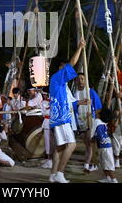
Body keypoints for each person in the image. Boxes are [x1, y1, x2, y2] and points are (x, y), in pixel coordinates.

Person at [49, 39, 86, 183]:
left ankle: (52, 175)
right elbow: (72, 63)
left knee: (60, 147)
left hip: (59, 116)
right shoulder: (57, 77)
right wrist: (80, 47)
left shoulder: (61, 84)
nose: (67, 70)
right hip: (61, 117)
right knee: (72, 144)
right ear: (60, 67)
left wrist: (80, 102)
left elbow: (71, 102)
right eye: (64, 67)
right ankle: (60, 173)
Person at [74, 73, 102, 172]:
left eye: (82, 78)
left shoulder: (91, 92)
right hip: (80, 122)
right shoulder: (75, 93)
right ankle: (94, 162)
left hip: (90, 121)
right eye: (78, 79)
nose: (80, 80)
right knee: (87, 144)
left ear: (85, 80)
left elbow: (98, 108)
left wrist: (96, 119)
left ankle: (87, 165)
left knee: (90, 143)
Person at [91, 108, 118, 183]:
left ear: (100, 115)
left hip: (105, 147)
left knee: (108, 164)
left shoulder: (97, 122)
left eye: (98, 112)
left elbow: (94, 134)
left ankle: (114, 179)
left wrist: (91, 138)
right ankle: (108, 178)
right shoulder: (103, 123)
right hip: (104, 146)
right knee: (104, 164)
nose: (96, 112)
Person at [41, 89, 54, 169]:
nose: (43, 96)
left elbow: (43, 113)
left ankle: (50, 160)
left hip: (50, 122)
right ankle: (50, 160)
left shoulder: (44, 103)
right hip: (50, 122)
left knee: (49, 142)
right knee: (49, 142)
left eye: (44, 94)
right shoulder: (44, 102)